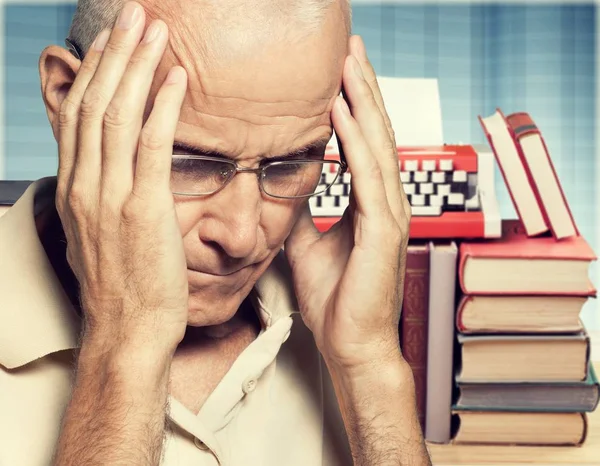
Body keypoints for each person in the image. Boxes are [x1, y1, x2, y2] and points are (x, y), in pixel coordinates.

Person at [0, 0, 431, 464]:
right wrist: (125, 347)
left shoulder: (338, 323)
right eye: (189, 163)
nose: (242, 237)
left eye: (291, 164)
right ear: (68, 97)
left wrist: (371, 365)